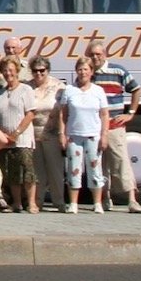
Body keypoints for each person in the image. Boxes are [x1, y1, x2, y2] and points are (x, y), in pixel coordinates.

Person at [86, 41, 141, 213]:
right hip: (94, 127)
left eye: (98, 54)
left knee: (121, 162)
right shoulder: (89, 74)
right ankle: (105, 198)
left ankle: (132, 199)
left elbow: (136, 89)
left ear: (105, 54)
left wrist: (131, 112)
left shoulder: (118, 71)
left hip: (114, 126)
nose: (95, 57)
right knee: (99, 165)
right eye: (92, 55)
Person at [59, 56, 110, 214]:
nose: (83, 72)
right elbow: (63, 114)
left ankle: (97, 203)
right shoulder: (69, 91)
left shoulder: (98, 91)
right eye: (80, 69)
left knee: (95, 169)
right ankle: (73, 203)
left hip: (93, 135)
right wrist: (62, 133)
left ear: (91, 71)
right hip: (74, 135)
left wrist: (104, 135)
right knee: (74, 169)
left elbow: (104, 114)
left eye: (86, 69)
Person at [0, 54, 38, 213]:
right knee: (11, 174)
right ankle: (17, 203)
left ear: (17, 71)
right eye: (5, 70)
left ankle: (32, 203)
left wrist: (17, 133)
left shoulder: (26, 89)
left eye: (11, 70)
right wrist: (2, 136)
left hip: (23, 139)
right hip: (5, 140)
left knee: (27, 172)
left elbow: (30, 114)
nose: (8, 73)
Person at [28, 55, 67, 212]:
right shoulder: (27, 87)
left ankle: (59, 201)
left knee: (55, 169)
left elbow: (65, 112)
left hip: (52, 133)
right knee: (37, 172)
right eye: (35, 71)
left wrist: (63, 133)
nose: (38, 74)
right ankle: (38, 202)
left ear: (48, 70)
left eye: (42, 70)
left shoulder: (59, 86)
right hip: (33, 134)